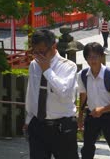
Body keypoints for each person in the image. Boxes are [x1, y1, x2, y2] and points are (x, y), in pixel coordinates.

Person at [24, 30, 79, 159]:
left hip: (61, 126)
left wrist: (47, 70)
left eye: (41, 52)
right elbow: (32, 93)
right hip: (38, 124)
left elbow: (64, 93)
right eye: (35, 52)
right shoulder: (34, 64)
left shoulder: (68, 66)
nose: (38, 56)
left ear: (53, 47)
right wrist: (28, 118)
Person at [77, 42, 110, 159]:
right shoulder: (83, 75)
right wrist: (80, 116)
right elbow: (83, 95)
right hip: (92, 115)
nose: (92, 60)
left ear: (101, 57)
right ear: (86, 59)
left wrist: (102, 110)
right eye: (89, 57)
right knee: (87, 147)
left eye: (95, 56)